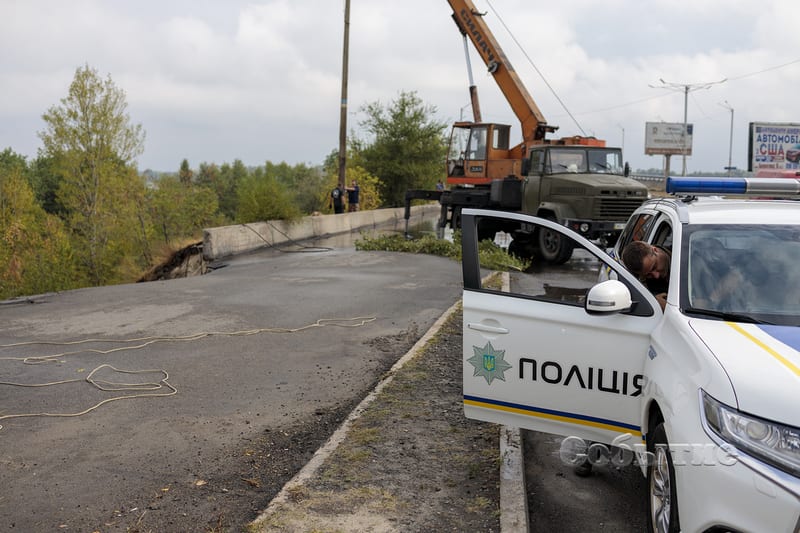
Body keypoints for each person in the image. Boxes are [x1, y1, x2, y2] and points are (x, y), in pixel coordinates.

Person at [621, 240, 671, 310]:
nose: (656, 276)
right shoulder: (643, 283)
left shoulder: (685, 255)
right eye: (648, 275)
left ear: (655, 250)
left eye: (654, 266)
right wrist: (654, 301)